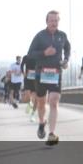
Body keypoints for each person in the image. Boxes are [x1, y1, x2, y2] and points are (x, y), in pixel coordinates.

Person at [26, 10, 71, 145]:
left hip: (56, 73)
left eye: (56, 20)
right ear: (47, 21)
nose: (54, 23)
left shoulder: (62, 35)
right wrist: (44, 53)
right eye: (51, 20)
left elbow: (67, 48)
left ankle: (51, 133)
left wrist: (66, 59)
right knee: (41, 103)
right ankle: (41, 123)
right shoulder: (40, 36)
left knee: (53, 101)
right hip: (41, 74)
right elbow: (30, 54)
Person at [22, 53, 38, 120]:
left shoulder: (40, 56)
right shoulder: (26, 57)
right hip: (28, 78)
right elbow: (21, 65)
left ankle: (33, 114)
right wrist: (23, 73)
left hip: (36, 78)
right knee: (27, 96)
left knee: (36, 97)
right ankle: (30, 104)